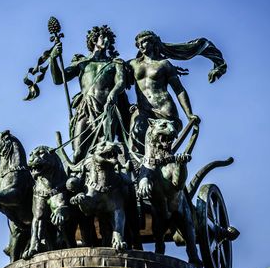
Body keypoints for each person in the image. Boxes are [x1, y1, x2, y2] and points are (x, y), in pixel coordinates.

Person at [128, 30, 226, 153]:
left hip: (164, 109)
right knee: (135, 136)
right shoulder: (132, 64)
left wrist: (189, 114)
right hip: (143, 109)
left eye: (144, 42)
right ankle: (136, 167)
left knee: (162, 147)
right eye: (138, 44)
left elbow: (179, 90)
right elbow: (116, 80)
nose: (141, 46)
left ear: (153, 43)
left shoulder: (164, 64)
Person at [50, 25, 129, 164]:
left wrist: (114, 93)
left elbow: (121, 82)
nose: (106, 41)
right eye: (102, 37)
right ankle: (76, 180)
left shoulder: (115, 63)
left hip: (108, 108)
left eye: (108, 39)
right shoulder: (82, 64)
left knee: (106, 147)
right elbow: (58, 79)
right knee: (78, 151)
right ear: (93, 40)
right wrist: (53, 58)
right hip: (86, 109)